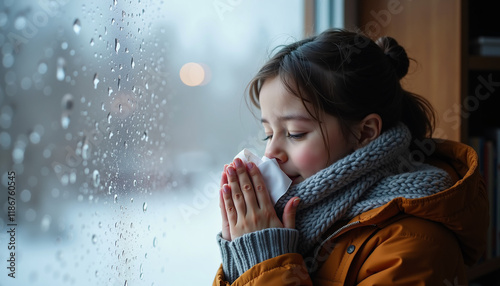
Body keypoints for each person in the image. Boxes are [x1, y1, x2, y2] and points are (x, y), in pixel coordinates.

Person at [213, 29, 489, 285]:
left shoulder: (417, 243)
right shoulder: (293, 219)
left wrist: (267, 261)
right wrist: (240, 254)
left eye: (295, 133)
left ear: (364, 133)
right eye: (267, 134)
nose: (271, 153)